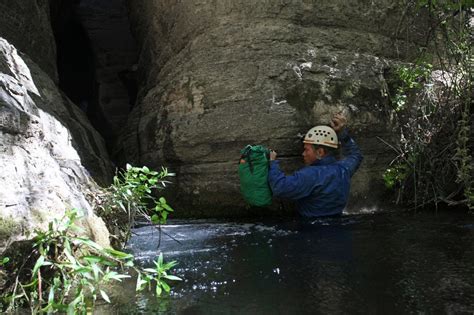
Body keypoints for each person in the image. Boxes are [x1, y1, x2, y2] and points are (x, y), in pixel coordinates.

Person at [268, 113, 363, 218]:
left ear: (320, 152)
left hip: (310, 228)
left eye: (306, 150)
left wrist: (272, 162)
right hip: (337, 225)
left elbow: (280, 188)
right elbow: (356, 155)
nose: (303, 154)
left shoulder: (310, 175)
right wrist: (341, 132)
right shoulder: (344, 169)